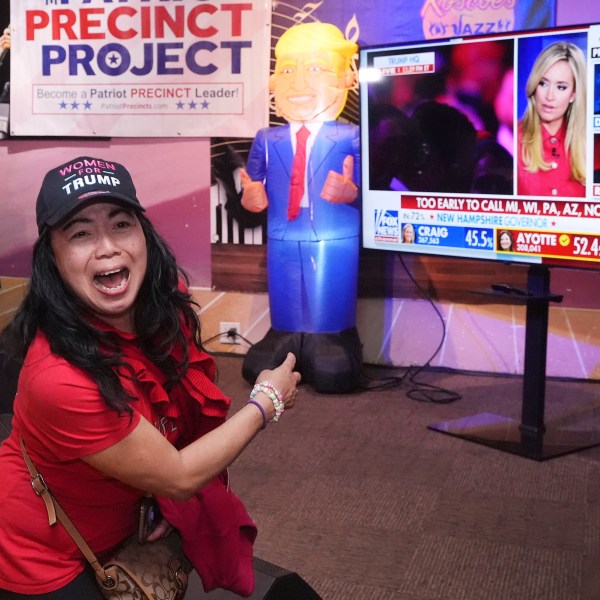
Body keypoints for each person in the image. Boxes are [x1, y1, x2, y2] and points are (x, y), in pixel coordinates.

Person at [0, 155, 301, 598]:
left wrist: (154, 498)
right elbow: (178, 474)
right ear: (53, 257)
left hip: (121, 521)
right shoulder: (57, 377)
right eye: (81, 233)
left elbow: (174, 427)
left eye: (121, 224)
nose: (107, 247)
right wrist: (266, 401)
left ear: (144, 233)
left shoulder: (162, 308)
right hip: (44, 554)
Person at [239, 22, 363, 394]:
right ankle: (287, 334)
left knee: (330, 304)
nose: (300, 84)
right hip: (281, 233)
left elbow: (376, 189)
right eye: (288, 71)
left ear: (346, 79)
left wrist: (352, 192)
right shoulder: (267, 138)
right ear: (274, 82)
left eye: (316, 69)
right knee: (287, 293)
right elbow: (251, 185)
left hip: (334, 236)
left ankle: (332, 336)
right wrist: (249, 199)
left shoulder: (351, 136)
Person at [517, 41, 587, 197]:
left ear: (573, 94)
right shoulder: (514, 139)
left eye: (561, 87)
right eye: (543, 83)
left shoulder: (589, 146)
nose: (549, 96)